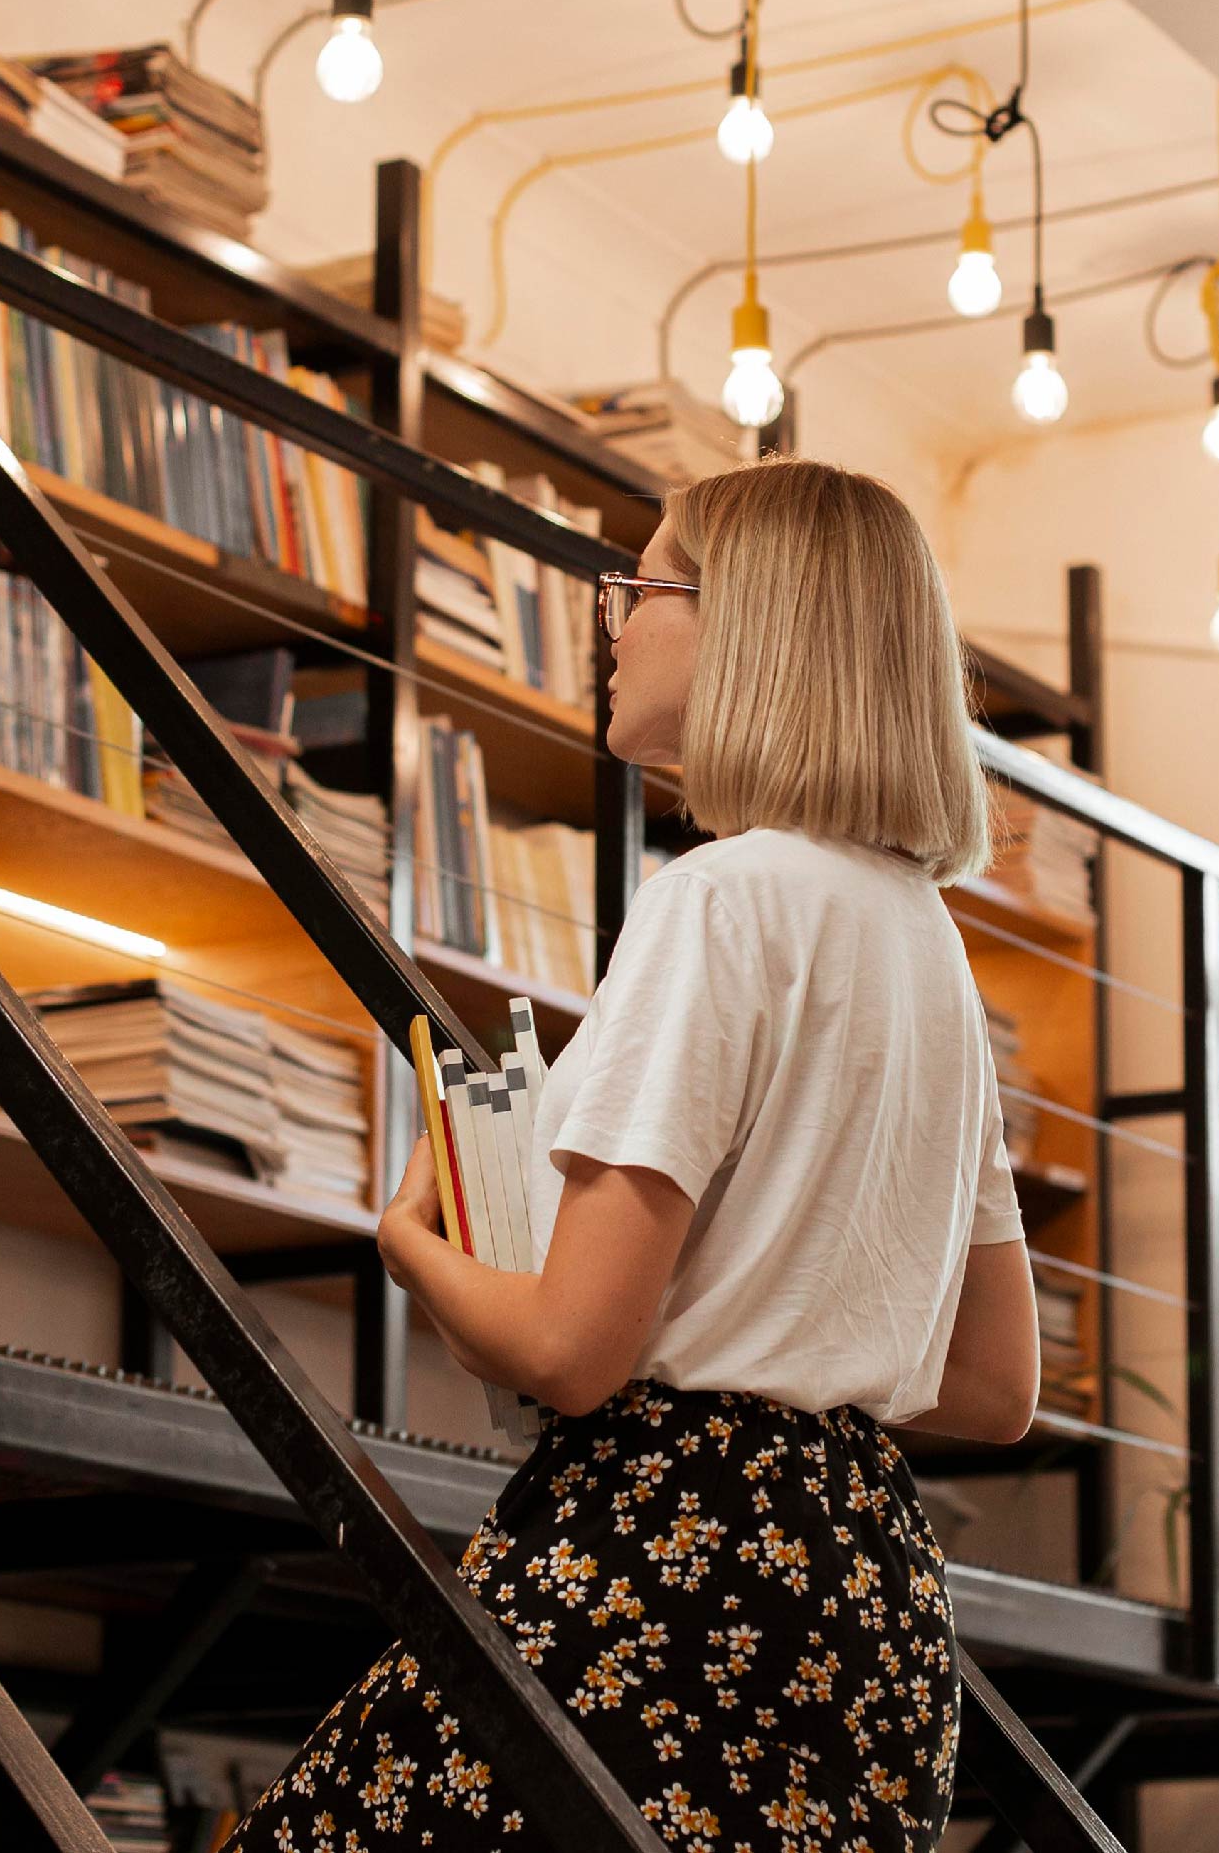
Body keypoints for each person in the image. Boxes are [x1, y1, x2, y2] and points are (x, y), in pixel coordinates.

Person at [222, 458, 1041, 1853]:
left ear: (754, 623)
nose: (613, 614)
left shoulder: (715, 904)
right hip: (866, 1595)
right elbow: (994, 1382)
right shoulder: (928, 953)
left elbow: (572, 1350)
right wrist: (798, 1329)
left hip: (671, 1559)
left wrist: (414, 1241)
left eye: (646, 581)